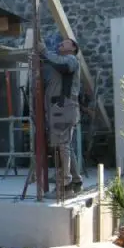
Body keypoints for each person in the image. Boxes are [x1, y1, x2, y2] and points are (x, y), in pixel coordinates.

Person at [37, 37, 83, 197]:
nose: (61, 43)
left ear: (74, 48)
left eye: (66, 42)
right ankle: (75, 182)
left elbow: (62, 65)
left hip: (63, 108)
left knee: (61, 146)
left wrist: (44, 52)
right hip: (61, 109)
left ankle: (65, 187)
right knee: (66, 146)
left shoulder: (71, 60)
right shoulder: (60, 60)